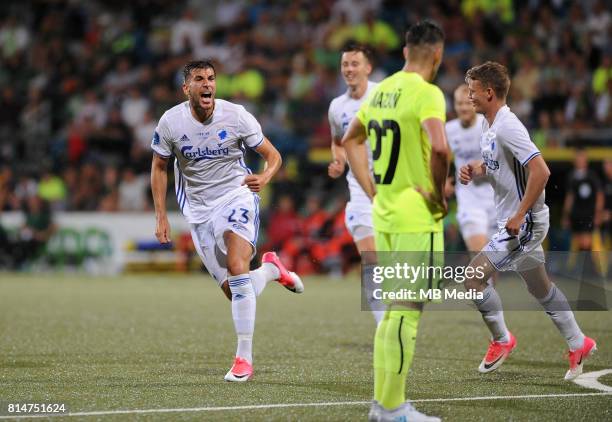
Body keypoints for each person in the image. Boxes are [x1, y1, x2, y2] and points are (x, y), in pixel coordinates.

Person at [150, 60, 304, 383]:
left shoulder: (236, 116)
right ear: (186, 88)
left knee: (237, 266)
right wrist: (161, 215)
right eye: (199, 80)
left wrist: (265, 176)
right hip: (199, 212)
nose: (206, 85)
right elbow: (160, 167)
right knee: (238, 292)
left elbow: (273, 156)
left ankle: (243, 359)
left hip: (237, 196)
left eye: (211, 79)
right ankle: (272, 270)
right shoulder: (171, 123)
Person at [459, 61, 596, 381]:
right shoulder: (488, 125)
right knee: (540, 287)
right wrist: (477, 169)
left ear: (489, 93)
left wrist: (520, 215)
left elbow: (542, 171)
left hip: (525, 222)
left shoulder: (509, 125)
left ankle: (502, 339)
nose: (469, 96)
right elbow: (498, 163)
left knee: (472, 279)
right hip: (514, 220)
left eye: (473, 91)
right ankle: (579, 342)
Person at [344, 20, 448, 422]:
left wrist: (372, 190)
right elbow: (439, 146)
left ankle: (383, 404)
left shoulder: (382, 89)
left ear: (405, 52)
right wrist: (438, 196)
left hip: (384, 213)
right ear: (436, 54)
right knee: (407, 312)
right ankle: (393, 409)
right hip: (414, 218)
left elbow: (351, 139)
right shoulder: (428, 94)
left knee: (393, 312)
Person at [327, 42, 384, 323]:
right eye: (345, 65)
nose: (349, 69)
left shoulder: (384, 96)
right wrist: (338, 161)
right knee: (371, 258)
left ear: (368, 68)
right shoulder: (337, 106)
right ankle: (383, 326)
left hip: (392, 185)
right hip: (360, 190)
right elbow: (338, 142)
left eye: (354, 64)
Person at [446, 84, 496, 254]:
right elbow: (438, 159)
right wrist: (445, 181)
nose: (463, 108)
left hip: (494, 199)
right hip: (469, 200)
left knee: (492, 262)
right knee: (479, 255)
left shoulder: (489, 126)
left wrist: (482, 167)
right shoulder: (449, 130)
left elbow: (504, 161)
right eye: (459, 103)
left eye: (467, 103)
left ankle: (490, 282)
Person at [562, 149, 604, 253]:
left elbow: (599, 195)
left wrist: (598, 213)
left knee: (587, 243)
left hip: (588, 214)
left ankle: (589, 267)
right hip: (576, 214)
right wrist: (566, 215)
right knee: (577, 243)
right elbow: (570, 197)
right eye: (578, 159)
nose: (580, 161)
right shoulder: (571, 176)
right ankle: (580, 267)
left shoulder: (592, 176)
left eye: (582, 158)